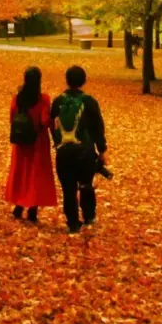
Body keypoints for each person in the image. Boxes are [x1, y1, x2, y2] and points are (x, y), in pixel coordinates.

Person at [51, 65, 108, 233]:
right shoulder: (89, 101)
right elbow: (98, 127)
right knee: (85, 184)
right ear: (84, 81)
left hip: (64, 151)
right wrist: (102, 149)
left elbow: (52, 126)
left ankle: (73, 223)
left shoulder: (58, 101)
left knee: (68, 188)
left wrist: (58, 143)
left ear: (67, 80)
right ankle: (89, 216)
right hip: (84, 150)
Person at [5, 66, 57, 222]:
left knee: (21, 171)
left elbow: (12, 117)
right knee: (36, 174)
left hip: (21, 142)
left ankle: (19, 205)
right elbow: (44, 121)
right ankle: (32, 209)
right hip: (38, 142)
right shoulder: (43, 99)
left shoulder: (17, 99)